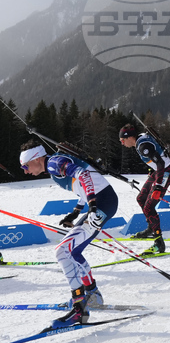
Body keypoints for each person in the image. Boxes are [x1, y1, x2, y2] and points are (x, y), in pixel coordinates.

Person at [21, 140, 118, 328]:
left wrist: (93, 206)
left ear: (35, 158)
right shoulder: (53, 166)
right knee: (73, 251)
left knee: (62, 251)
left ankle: (79, 308)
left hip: (102, 203)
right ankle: (92, 294)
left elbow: (83, 175)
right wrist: (76, 211)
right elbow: (82, 185)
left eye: (25, 166)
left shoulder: (52, 163)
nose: (25, 171)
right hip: (105, 201)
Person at [119, 124, 170, 254]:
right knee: (141, 198)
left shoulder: (142, 146)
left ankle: (159, 242)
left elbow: (160, 163)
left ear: (129, 138)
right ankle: (151, 228)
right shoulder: (141, 140)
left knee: (149, 207)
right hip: (159, 171)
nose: (122, 143)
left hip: (164, 172)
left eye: (122, 140)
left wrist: (158, 185)